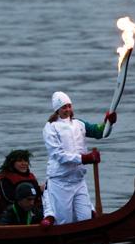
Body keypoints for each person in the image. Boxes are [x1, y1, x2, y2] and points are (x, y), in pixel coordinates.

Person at [41, 91, 116, 225]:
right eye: (64, 107)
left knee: (86, 219)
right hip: (60, 182)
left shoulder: (79, 124)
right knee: (65, 222)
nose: (68, 109)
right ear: (57, 110)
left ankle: (88, 243)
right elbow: (59, 155)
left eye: (69, 106)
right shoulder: (50, 127)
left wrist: (109, 123)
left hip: (78, 180)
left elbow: (100, 132)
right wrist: (85, 158)